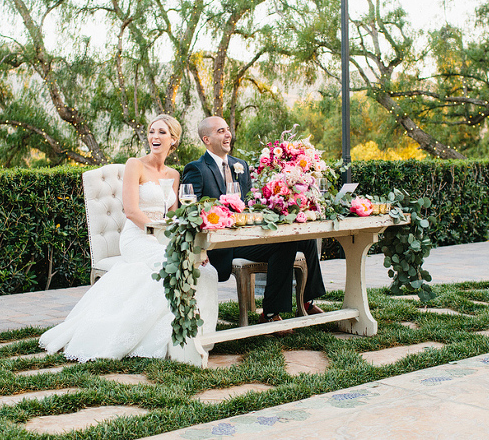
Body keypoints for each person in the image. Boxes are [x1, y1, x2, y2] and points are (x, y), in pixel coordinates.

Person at [40, 115, 219, 361]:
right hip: (137, 238)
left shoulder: (175, 175)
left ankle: (199, 338)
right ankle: (171, 342)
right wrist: (161, 234)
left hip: (163, 238)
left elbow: (175, 216)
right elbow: (131, 211)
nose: (154, 137)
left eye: (162, 133)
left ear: (173, 140)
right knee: (176, 267)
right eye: (151, 131)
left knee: (206, 270)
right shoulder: (135, 164)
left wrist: (196, 247)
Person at [179, 116, 325, 331]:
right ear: (206, 139)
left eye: (227, 129)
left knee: (304, 237)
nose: (228, 134)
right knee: (285, 245)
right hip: (223, 244)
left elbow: (249, 204)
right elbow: (190, 212)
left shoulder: (240, 165)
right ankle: (270, 314)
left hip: (248, 234)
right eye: (221, 131)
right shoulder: (196, 169)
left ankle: (306, 301)